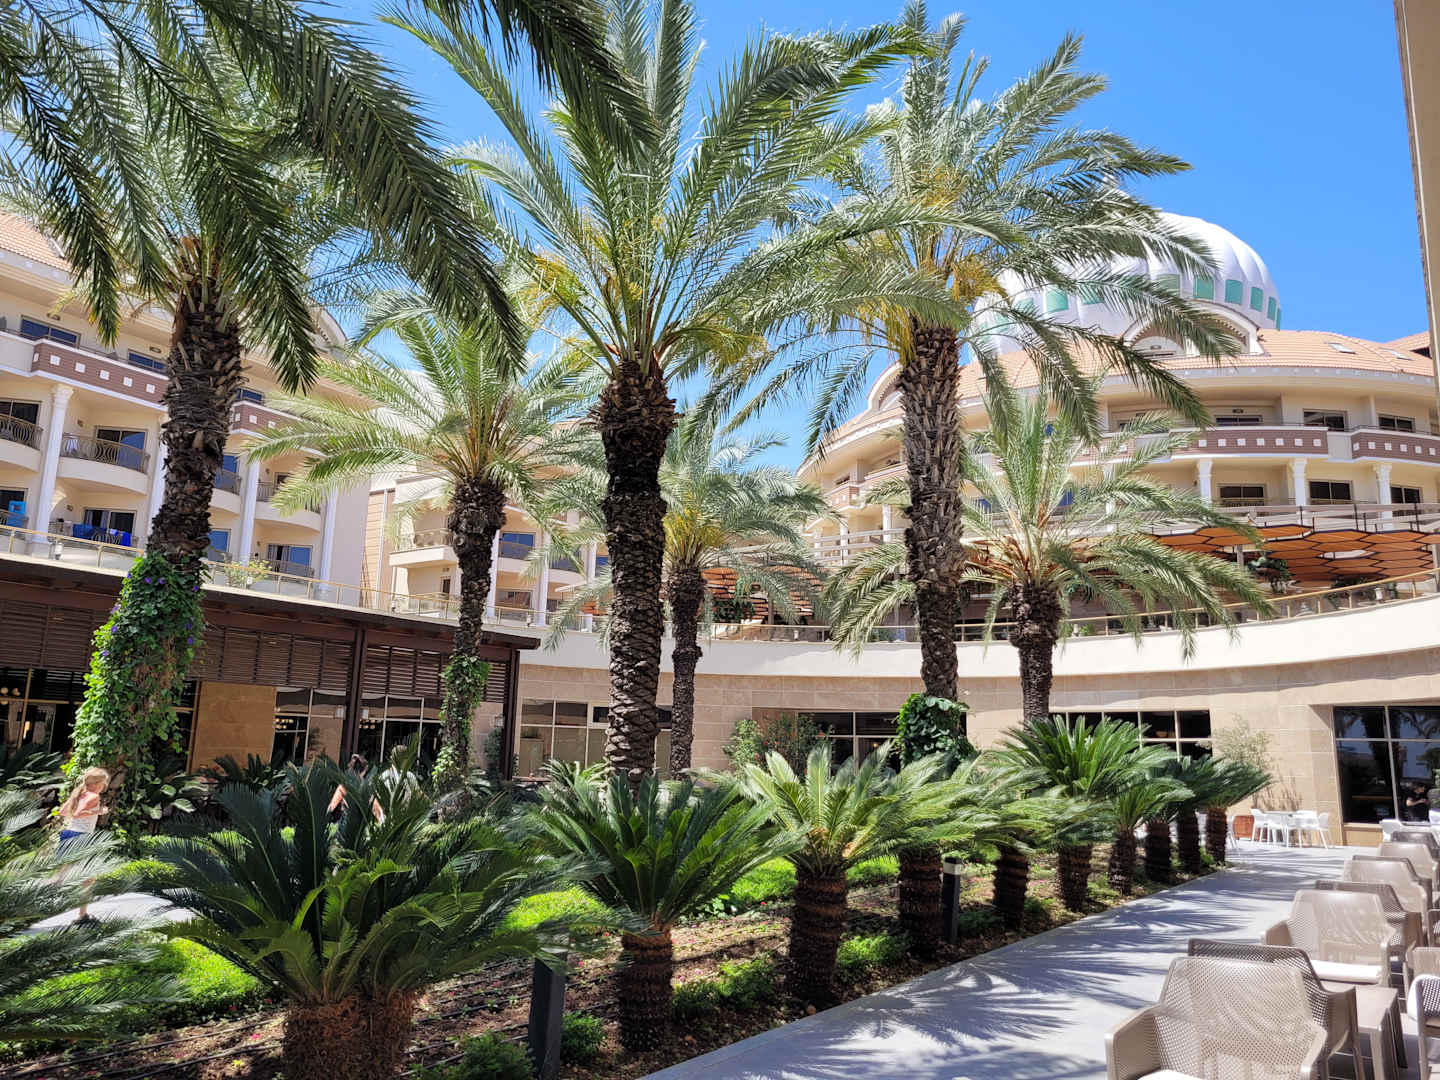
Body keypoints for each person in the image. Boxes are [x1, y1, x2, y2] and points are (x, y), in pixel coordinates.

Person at [58, 767, 110, 922]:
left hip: (68, 834)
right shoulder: (94, 796)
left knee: (62, 876)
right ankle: (82, 916)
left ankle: (35, 897)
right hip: (81, 838)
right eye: (103, 783)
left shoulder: (79, 793)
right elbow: (79, 813)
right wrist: (99, 812)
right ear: (98, 784)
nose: (104, 786)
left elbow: (62, 811)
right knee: (88, 879)